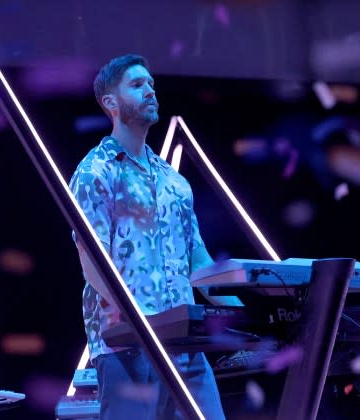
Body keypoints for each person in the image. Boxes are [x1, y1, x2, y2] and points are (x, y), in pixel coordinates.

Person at [69, 54, 233, 420]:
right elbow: (92, 263)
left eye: (152, 84)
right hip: (127, 345)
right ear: (111, 103)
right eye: (137, 85)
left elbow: (198, 260)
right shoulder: (95, 172)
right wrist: (139, 321)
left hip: (186, 347)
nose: (150, 91)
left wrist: (248, 301)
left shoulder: (174, 181)